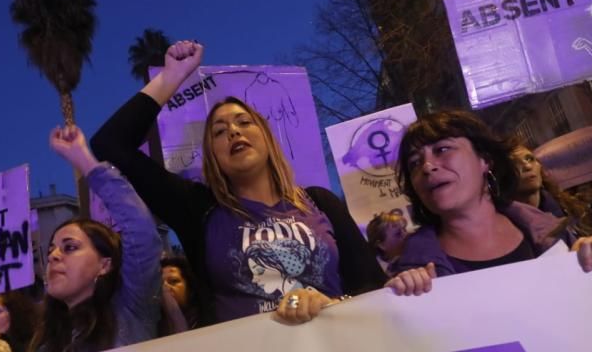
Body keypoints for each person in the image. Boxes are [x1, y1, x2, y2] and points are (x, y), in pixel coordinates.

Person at [91, 40, 386, 325]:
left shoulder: (321, 202)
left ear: (267, 139)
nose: (233, 131)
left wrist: (331, 304)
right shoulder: (198, 210)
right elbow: (110, 143)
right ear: (213, 157)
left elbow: (372, 287)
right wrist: (172, 76)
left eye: (244, 123)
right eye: (219, 132)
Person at [386, 110, 592, 294]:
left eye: (442, 150)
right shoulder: (411, 275)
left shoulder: (560, 238)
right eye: (415, 163)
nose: (427, 166)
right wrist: (402, 301)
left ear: (485, 160)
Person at [23, 124, 162, 352]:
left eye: (69, 247)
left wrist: (83, 160)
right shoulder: (44, 344)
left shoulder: (129, 310)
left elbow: (141, 231)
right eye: (51, 250)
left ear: (104, 264)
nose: (54, 256)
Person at [159, 255, 200, 336]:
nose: (165, 288)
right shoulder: (155, 330)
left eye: (173, 281)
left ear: (189, 287)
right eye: (160, 285)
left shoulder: (208, 321)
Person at [366, 210, 410, 274]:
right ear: (381, 245)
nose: (406, 235)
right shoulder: (382, 275)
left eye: (404, 229)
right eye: (398, 234)